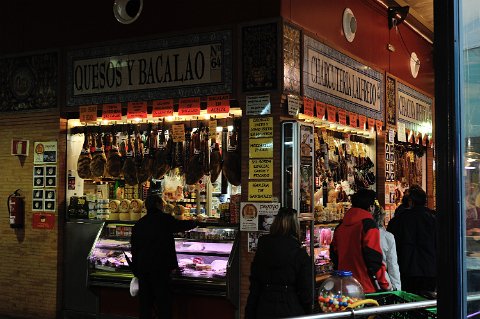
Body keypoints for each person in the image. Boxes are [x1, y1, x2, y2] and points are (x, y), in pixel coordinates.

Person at [130, 194, 197, 319]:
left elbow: (134, 248)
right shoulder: (164, 219)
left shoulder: (139, 224)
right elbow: (181, 225)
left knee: (145, 305)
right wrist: (196, 222)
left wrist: (137, 269)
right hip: (161, 268)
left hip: (144, 269)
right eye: (162, 203)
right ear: (158, 205)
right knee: (164, 304)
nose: (163, 206)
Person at [245, 207, 313, 318]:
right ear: (295, 226)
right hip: (290, 307)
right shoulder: (299, 254)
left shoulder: (263, 247)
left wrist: (250, 311)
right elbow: (306, 291)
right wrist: (308, 310)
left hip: (264, 306)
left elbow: (254, 284)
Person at [330, 188, 390, 293]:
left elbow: (334, 254)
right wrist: (384, 284)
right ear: (370, 207)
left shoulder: (340, 226)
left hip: (344, 286)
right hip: (365, 287)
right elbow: (374, 257)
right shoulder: (368, 225)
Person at [387, 184, 436, 296]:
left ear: (410, 201)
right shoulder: (434, 218)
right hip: (431, 270)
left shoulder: (398, 220)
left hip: (406, 270)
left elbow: (392, 246)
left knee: (409, 302)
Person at [372, 202, 402, 291]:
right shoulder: (387, 236)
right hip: (383, 281)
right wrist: (397, 288)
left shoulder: (361, 234)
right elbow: (393, 264)